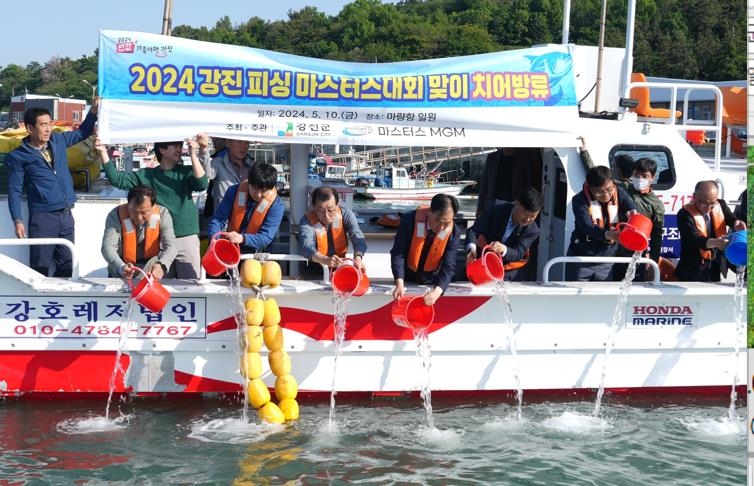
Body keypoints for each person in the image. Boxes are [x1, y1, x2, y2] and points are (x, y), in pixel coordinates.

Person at [6, 98, 99, 277]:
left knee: (67, 264)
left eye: (50, 124)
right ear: (30, 128)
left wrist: (93, 113)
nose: (48, 129)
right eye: (43, 125)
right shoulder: (18, 157)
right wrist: (17, 220)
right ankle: (37, 304)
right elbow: (15, 190)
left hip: (66, 215)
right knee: (39, 267)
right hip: (42, 218)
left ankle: (60, 302)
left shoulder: (58, 141)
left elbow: (82, 133)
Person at [99, 136, 208, 279]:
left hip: (185, 237)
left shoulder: (186, 172)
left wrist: (194, 154)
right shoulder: (146, 174)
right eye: (175, 145)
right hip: (158, 240)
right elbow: (117, 179)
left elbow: (202, 184)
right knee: (161, 287)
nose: (179, 149)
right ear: (162, 149)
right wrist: (102, 151)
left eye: (180, 145)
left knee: (190, 284)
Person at [565, 166, 638, 281]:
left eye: (609, 189)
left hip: (607, 259)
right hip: (582, 258)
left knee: (604, 296)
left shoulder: (619, 192)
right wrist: (608, 234)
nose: (606, 195)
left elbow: (631, 207)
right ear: (590, 188)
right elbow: (586, 226)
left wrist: (633, 212)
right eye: (600, 192)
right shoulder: (579, 200)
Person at [391, 194, 461, 305]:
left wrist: (437, 292)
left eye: (446, 224)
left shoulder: (454, 232)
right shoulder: (409, 221)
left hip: (432, 279)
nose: (441, 227)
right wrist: (399, 282)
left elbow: (448, 266)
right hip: (407, 277)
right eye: (439, 221)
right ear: (429, 212)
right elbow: (398, 253)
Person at [674, 180, 746, 282]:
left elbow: (729, 216)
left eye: (712, 204)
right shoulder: (684, 214)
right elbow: (694, 238)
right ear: (694, 197)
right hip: (692, 270)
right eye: (704, 204)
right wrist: (715, 243)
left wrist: (736, 222)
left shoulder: (720, 205)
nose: (708, 208)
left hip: (715, 267)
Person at [101, 185, 177, 280]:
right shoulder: (115, 216)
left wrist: (161, 265)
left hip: (151, 270)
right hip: (122, 270)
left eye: (144, 213)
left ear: (153, 207)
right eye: (133, 212)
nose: (139, 217)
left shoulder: (163, 214)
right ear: (128, 205)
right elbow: (107, 247)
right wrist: (121, 267)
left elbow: (171, 246)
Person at [465, 188, 543, 281]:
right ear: (517, 203)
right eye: (526, 214)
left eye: (533, 217)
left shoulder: (532, 230)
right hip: (481, 261)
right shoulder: (497, 207)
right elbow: (474, 230)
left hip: (505, 269)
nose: (527, 220)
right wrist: (471, 250)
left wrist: (504, 249)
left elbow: (519, 253)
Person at [207, 162, 284, 254]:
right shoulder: (233, 191)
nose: (258, 195)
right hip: (231, 248)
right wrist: (214, 238)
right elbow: (218, 220)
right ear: (249, 183)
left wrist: (242, 238)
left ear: (271, 188)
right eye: (255, 188)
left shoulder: (277, 205)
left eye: (264, 191)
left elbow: (265, 237)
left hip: (260, 254)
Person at [611, 157, 665, 281]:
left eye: (644, 176)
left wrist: (653, 263)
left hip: (636, 256)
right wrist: (584, 151)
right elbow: (600, 176)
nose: (640, 178)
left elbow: (657, 236)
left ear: (652, 177)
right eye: (636, 174)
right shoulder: (622, 188)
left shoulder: (656, 204)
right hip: (614, 252)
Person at [298, 186, 367, 272]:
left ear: (337, 205)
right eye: (320, 211)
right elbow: (306, 246)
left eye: (331, 210)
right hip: (314, 270)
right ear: (314, 207)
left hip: (340, 268)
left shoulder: (347, 215)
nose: (326, 216)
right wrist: (324, 260)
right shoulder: (306, 221)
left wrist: (358, 258)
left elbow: (357, 235)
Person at [476, 148, 542, 218]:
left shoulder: (524, 159)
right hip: (493, 205)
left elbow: (528, 185)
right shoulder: (492, 157)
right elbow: (484, 185)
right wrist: (480, 208)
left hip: (514, 207)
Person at [200, 137, 254, 213]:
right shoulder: (218, 163)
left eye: (246, 142)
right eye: (239, 142)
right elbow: (207, 174)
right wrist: (203, 149)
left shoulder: (254, 166)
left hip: (247, 220)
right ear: (228, 143)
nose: (243, 146)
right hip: (223, 221)